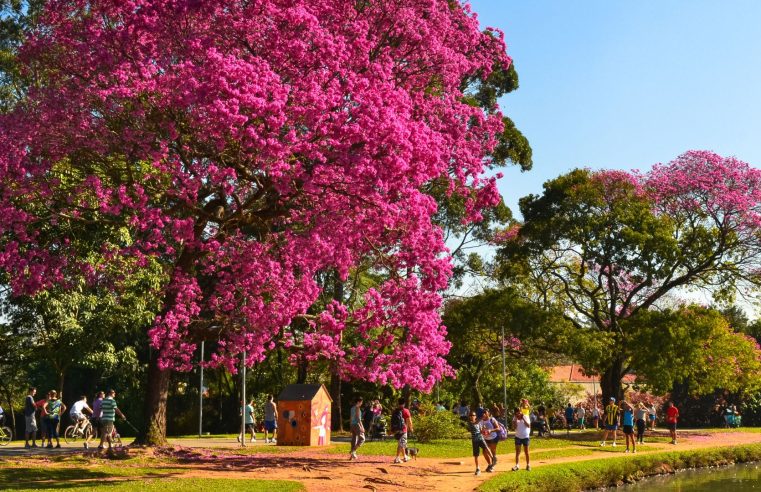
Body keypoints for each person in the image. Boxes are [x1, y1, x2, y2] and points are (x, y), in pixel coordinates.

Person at [468, 411, 492, 476]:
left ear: (475, 416)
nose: (472, 416)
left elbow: (481, 431)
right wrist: (482, 417)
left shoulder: (479, 423)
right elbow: (475, 422)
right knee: (476, 455)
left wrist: (484, 430)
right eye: (470, 415)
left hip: (481, 439)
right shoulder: (470, 423)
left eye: (473, 415)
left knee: (487, 448)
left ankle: (493, 460)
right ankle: (477, 468)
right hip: (475, 441)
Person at [391, 398, 413, 464]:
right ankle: (397, 458)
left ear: (398, 403)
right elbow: (409, 421)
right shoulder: (405, 411)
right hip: (403, 430)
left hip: (396, 429)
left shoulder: (395, 411)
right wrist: (411, 428)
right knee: (401, 444)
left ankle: (405, 456)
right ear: (404, 403)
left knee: (401, 443)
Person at [512, 407, 531, 472]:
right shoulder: (515, 418)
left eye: (519, 413)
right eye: (516, 414)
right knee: (517, 452)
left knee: (526, 452)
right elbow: (514, 427)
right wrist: (515, 420)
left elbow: (528, 425)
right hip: (518, 437)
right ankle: (517, 465)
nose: (518, 415)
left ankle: (528, 465)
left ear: (521, 412)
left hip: (525, 436)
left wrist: (522, 418)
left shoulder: (525, 416)